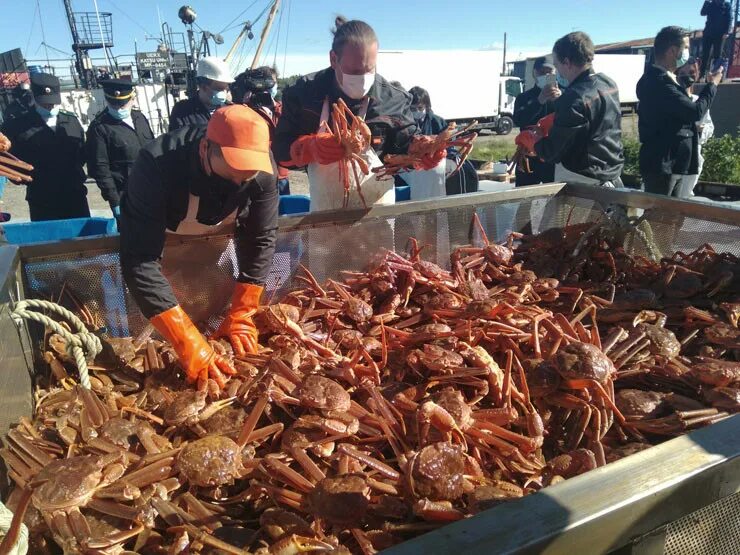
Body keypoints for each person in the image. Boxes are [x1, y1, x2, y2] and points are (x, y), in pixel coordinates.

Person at [119, 105, 278, 388]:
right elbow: (140, 259)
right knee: (155, 333)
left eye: (247, 178)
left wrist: (243, 311)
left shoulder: (263, 169)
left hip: (217, 243)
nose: (239, 183)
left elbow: (260, 238)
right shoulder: (155, 164)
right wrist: (186, 340)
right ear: (205, 148)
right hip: (162, 246)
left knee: (209, 303)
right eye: (231, 175)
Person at [274, 16, 438, 211]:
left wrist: (422, 155)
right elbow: (280, 152)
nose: (362, 79)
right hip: (325, 214)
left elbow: (403, 151)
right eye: (354, 71)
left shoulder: (393, 99)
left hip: (378, 210)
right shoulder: (304, 94)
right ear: (333, 59)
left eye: (369, 70)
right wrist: (309, 147)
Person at [515, 32, 624, 187]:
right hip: (612, 172)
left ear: (567, 62)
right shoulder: (608, 83)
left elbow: (551, 151)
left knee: (560, 213)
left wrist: (534, 140)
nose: (556, 72)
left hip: (581, 178)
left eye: (556, 65)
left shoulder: (573, 97)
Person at [637, 26, 722, 196]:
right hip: (663, 165)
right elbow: (694, 112)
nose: (688, 53)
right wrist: (712, 86)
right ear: (673, 51)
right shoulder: (659, 82)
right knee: (660, 217)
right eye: (686, 48)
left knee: (671, 218)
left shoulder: (666, 79)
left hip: (673, 164)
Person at [0, 73, 88, 221]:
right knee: (49, 242)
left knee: (83, 241)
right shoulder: (17, 125)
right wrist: (18, 177)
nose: (50, 106)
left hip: (74, 193)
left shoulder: (71, 121)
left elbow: (82, 153)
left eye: (53, 103)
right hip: (42, 197)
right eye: (45, 103)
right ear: (34, 97)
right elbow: (8, 158)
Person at [86, 79, 154, 219]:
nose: (118, 108)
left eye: (123, 103)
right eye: (114, 104)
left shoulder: (140, 118)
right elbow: (100, 168)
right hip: (125, 193)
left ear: (132, 98)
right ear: (107, 99)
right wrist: (114, 201)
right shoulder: (99, 127)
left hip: (150, 188)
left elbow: (153, 149)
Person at [409, 85, 478, 195]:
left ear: (427, 106)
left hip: (437, 162)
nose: (416, 111)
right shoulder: (405, 123)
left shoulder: (438, 122)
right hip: (411, 163)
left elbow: (451, 145)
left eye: (420, 108)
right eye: (412, 108)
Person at [234, 66, 291, 194]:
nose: (271, 88)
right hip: (257, 173)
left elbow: (288, 127)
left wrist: (274, 107)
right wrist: (245, 105)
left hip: (281, 174)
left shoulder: (281, 108)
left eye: (273, 84)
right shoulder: (246, 108)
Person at [512, 58, 560, 186]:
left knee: (553, 197)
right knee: (524, 197)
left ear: (555, 73)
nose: (546, 75)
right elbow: (518, 120)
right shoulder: (523, 98)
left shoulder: (562, 97)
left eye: (549, 72)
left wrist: (561, 101)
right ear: (534, 73)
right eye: (542, 72)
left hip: (552, 156)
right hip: (528, 155)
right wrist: (539, 101)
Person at [673, 58, 715, 198]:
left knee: (683, 201)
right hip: (671, 160)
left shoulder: (699, 100)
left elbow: (709, 127)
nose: (688, 75)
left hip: (692, 159)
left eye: (692, 72)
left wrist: (702, 130)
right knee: (660, 203)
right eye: (683, 71)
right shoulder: (671, 97)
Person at [169, 56, 233, 131]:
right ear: (203, 87)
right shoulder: (182, 111)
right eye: (219, 89)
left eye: (226, 89)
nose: (224, 93)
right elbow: (176, 139)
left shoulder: (231, 110)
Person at [700, 0, 733, 77]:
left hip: (720, 34)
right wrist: (707, 1)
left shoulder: (726, 5)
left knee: (717, 55)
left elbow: (730, 18)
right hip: (708, 33)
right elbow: (702, 13)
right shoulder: (710, 4)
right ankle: (702, 74)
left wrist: (727, 32)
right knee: (705, 54)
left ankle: (715, 74)